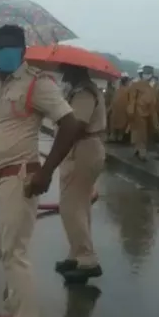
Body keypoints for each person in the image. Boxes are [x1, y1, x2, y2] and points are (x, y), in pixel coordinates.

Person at [0, 24, 79, 317]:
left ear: (24, 49)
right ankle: (9, 312)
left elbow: (70, 123)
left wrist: (46, 171)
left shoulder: (37, 83)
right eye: (1, 46)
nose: (6, 51)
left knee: (16, 254)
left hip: (20, 178)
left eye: (13, 46)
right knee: (5, 251)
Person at [54, 64, 106, 283]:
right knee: (80, 205)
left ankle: (87, 259)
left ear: (76, 71)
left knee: (70, 206)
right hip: (85, 148)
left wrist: (56, 154)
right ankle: (76, 255)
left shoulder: (84, 92)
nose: (63, 74)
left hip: (82, 149)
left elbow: (76, 125)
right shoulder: (81, 90)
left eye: (66, 70)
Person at [127, 65, 159, 160]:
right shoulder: (137, 84)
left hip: (152, 111)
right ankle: (142, 150)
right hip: (139, 110)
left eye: (149, 74)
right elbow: (132, 98)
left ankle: (138, 148)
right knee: (141, 131)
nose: (147, 76)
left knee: (149, 131)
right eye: (145, 74)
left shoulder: (155, 85)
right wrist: (131, 110)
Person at [109, 74, 131, 142]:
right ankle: (120, 137)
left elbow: (113, 101)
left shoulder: (118, 90)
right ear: (127, 82)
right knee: (122, 124)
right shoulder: (128, 91)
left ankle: (114, 136)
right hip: (124, 112)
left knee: (115, 123)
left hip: (115, 112)